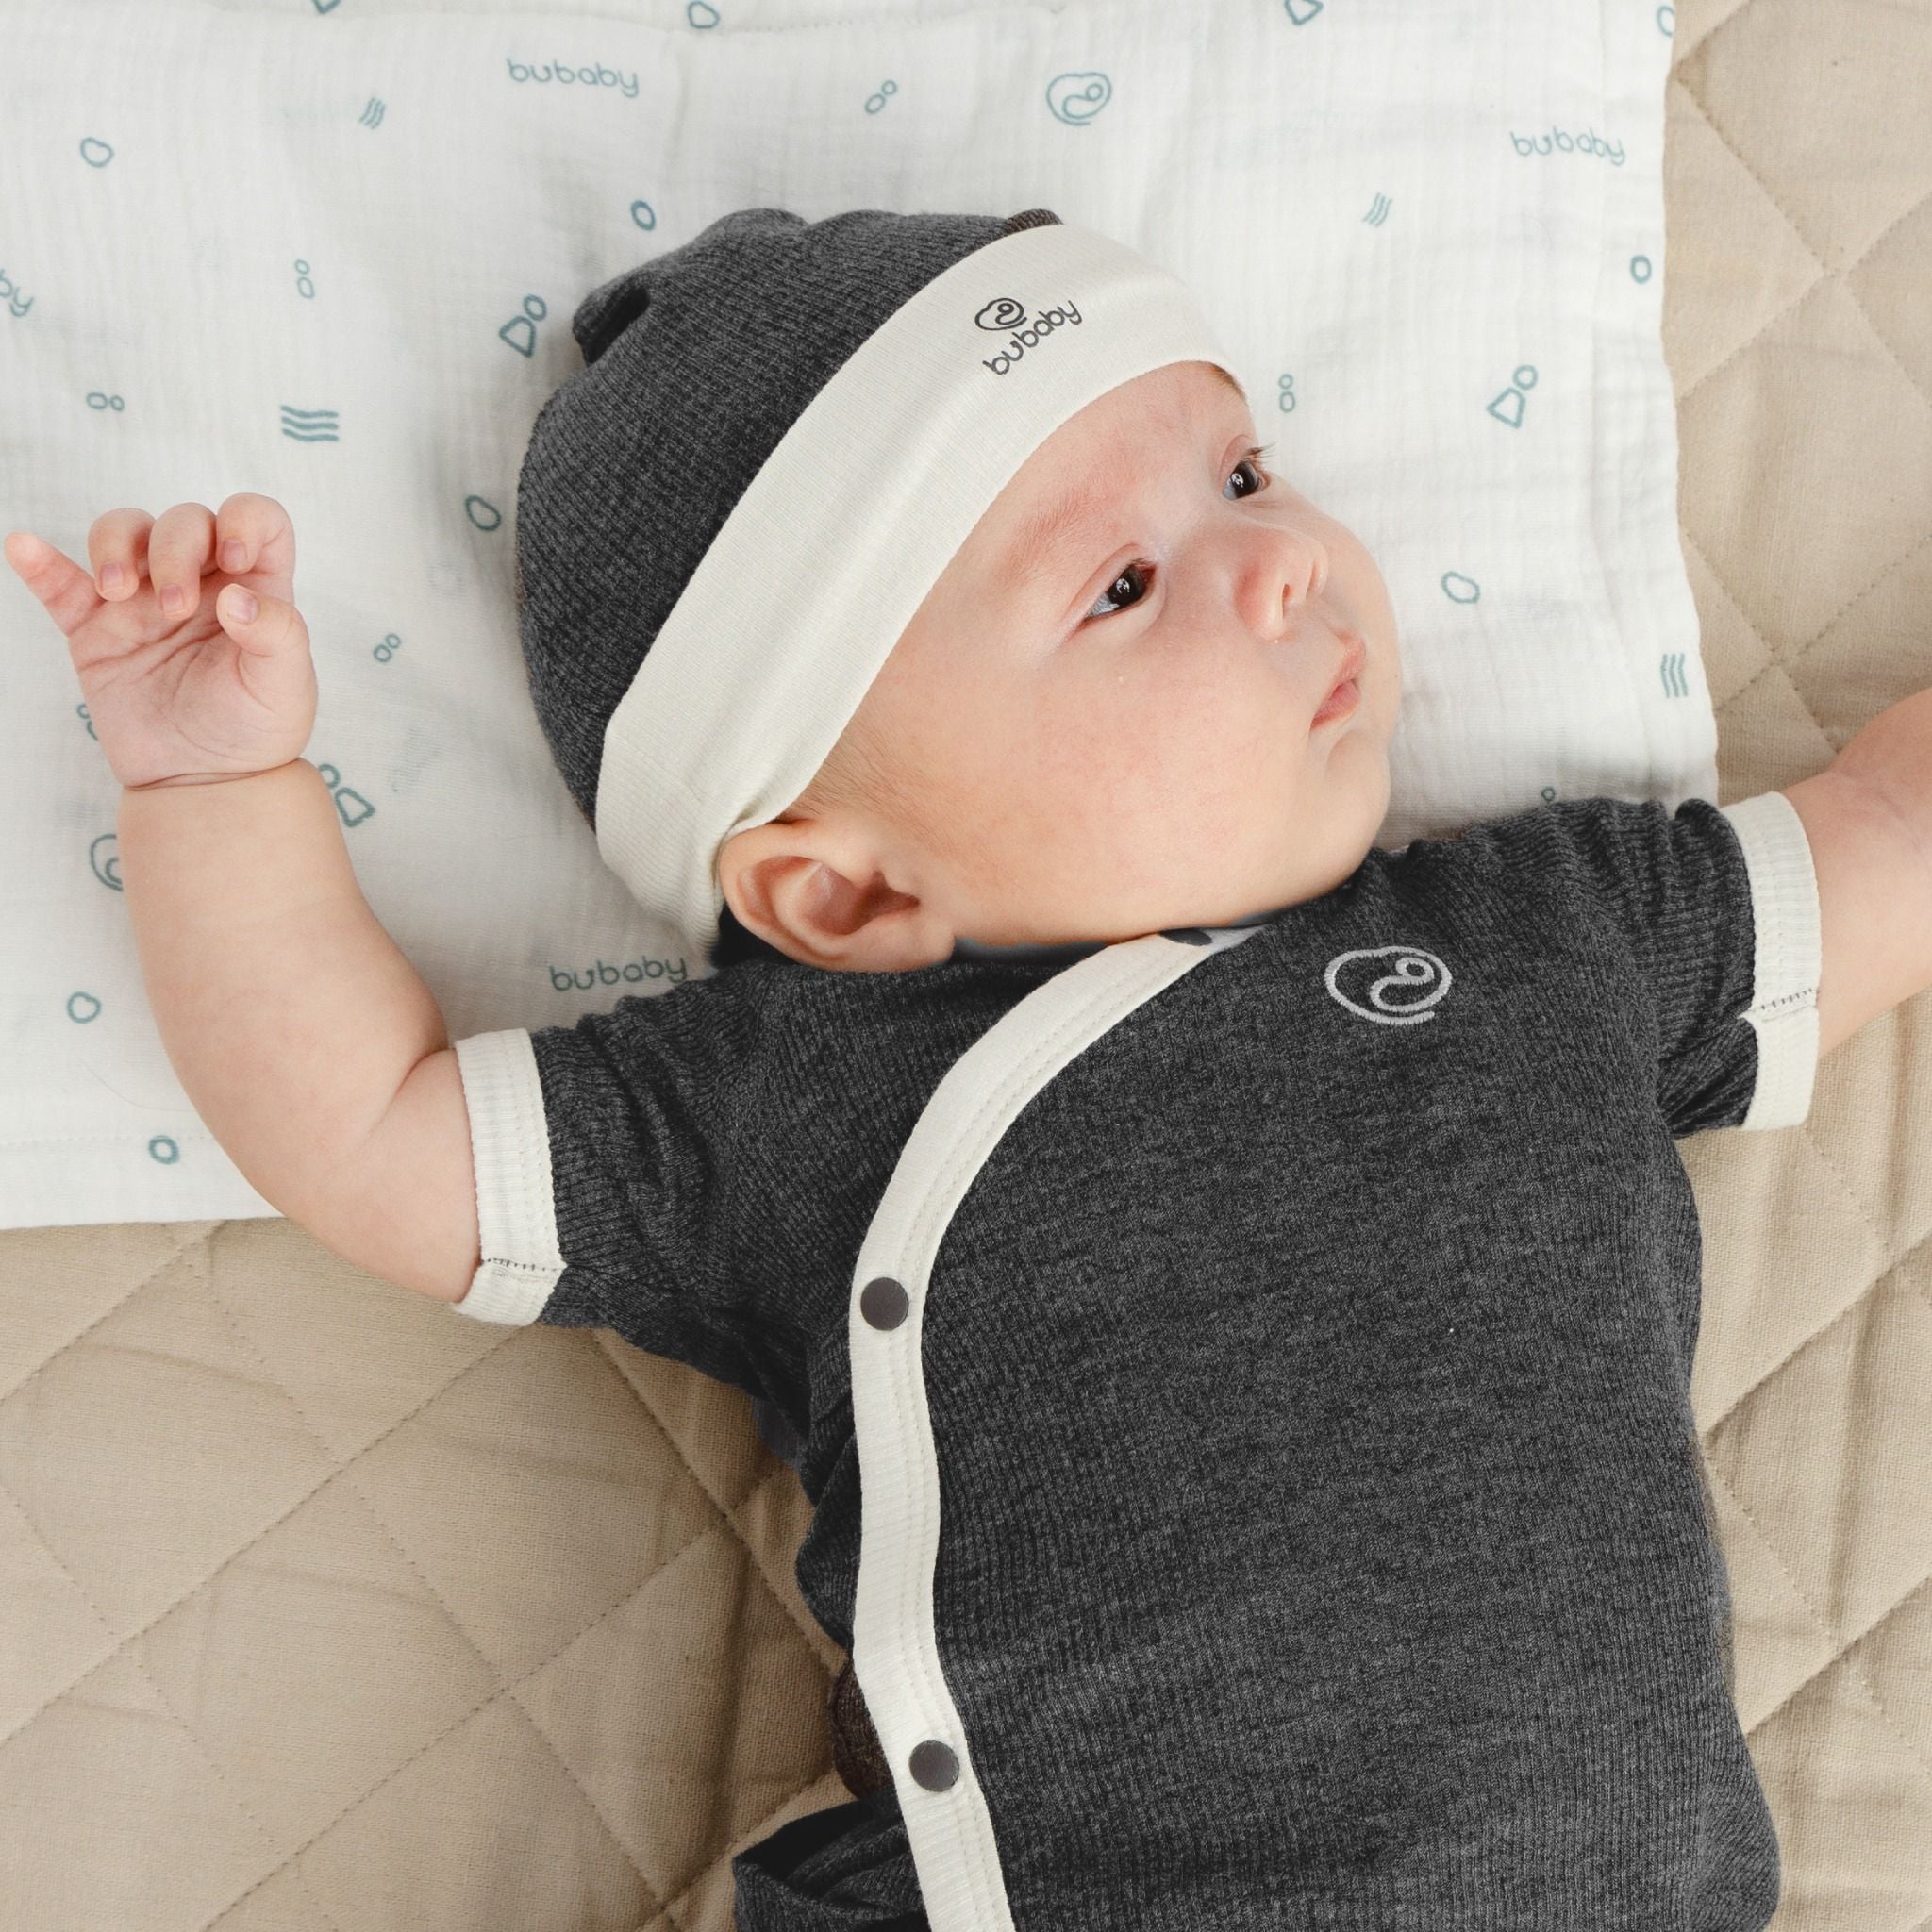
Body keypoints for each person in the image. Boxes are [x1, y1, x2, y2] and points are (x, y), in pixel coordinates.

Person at [10, 206, 1931, 1932]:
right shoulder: (803, 1093)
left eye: (1243, 471)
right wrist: (213, 787)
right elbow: (373, 1127)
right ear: (844, 890)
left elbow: (1889, 837)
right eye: (1122, 586)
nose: (1278, 560)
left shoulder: (1558, 930)